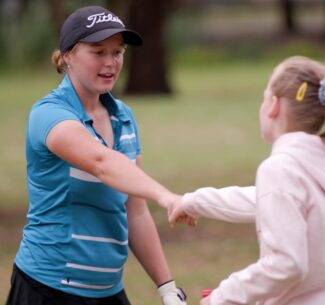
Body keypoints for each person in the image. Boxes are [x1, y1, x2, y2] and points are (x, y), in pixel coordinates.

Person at [6, 5, 188, 305]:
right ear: (67, 55)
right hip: (49, 288)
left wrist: (167, 289)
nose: (111, 63)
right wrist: (166, 196)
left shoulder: (123, 117)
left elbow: (135, 211)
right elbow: (102, 163)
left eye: (118, 52)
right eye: (98, 51)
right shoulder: (50, 114)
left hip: (108, 291)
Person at [169, 56, 325, 305]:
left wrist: (221, 297)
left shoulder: (280, 169)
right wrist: (193, 201)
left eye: (264, 97)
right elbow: (265, 200)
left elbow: (287, 264)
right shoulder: (324, 166)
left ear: (273, 105)